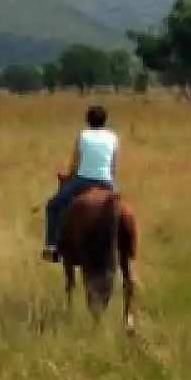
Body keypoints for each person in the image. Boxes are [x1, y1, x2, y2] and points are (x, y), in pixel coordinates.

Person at [40, 104, 119, 262]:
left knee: (52, 207)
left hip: (83, 180)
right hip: (107, 182)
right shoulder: (113, 137)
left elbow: (75, 165)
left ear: (87, 120)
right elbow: (113, 167)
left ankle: (52, 246)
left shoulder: (83, 136)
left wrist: (67, 176)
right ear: (105, 121)